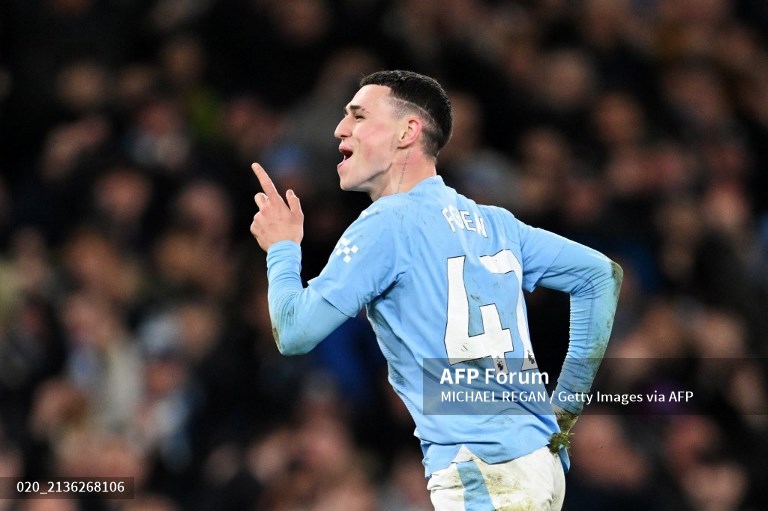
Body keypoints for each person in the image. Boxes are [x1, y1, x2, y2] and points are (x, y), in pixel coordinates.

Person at [249, 70, 623, 510]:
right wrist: (565, 409)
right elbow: (600, 276)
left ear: (408, 131)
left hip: (484, 472)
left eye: (359, 115)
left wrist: (283, 250)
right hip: (532, 465)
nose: (339, 128)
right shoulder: (497, 223)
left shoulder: (387, 224)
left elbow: (293, 332)